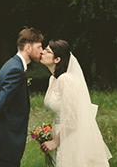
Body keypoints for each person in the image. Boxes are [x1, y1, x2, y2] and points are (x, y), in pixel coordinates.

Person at [0, 27, 43, 167]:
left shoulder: (12, 64)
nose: (41, 51)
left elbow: (5, 100)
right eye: (39, 47)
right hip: (8, 140)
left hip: (5, 138)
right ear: (28, 47)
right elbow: (2, 102)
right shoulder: (16, 70)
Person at [40, 39, 112, 167]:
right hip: (60, 132)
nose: (42, 52)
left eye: (47, 51)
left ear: (57, 59)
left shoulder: (65, 80)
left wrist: (55, 142)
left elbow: (73, 116)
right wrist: (49, 132)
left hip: (71, 135)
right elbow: (60, 109)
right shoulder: (53, 79)